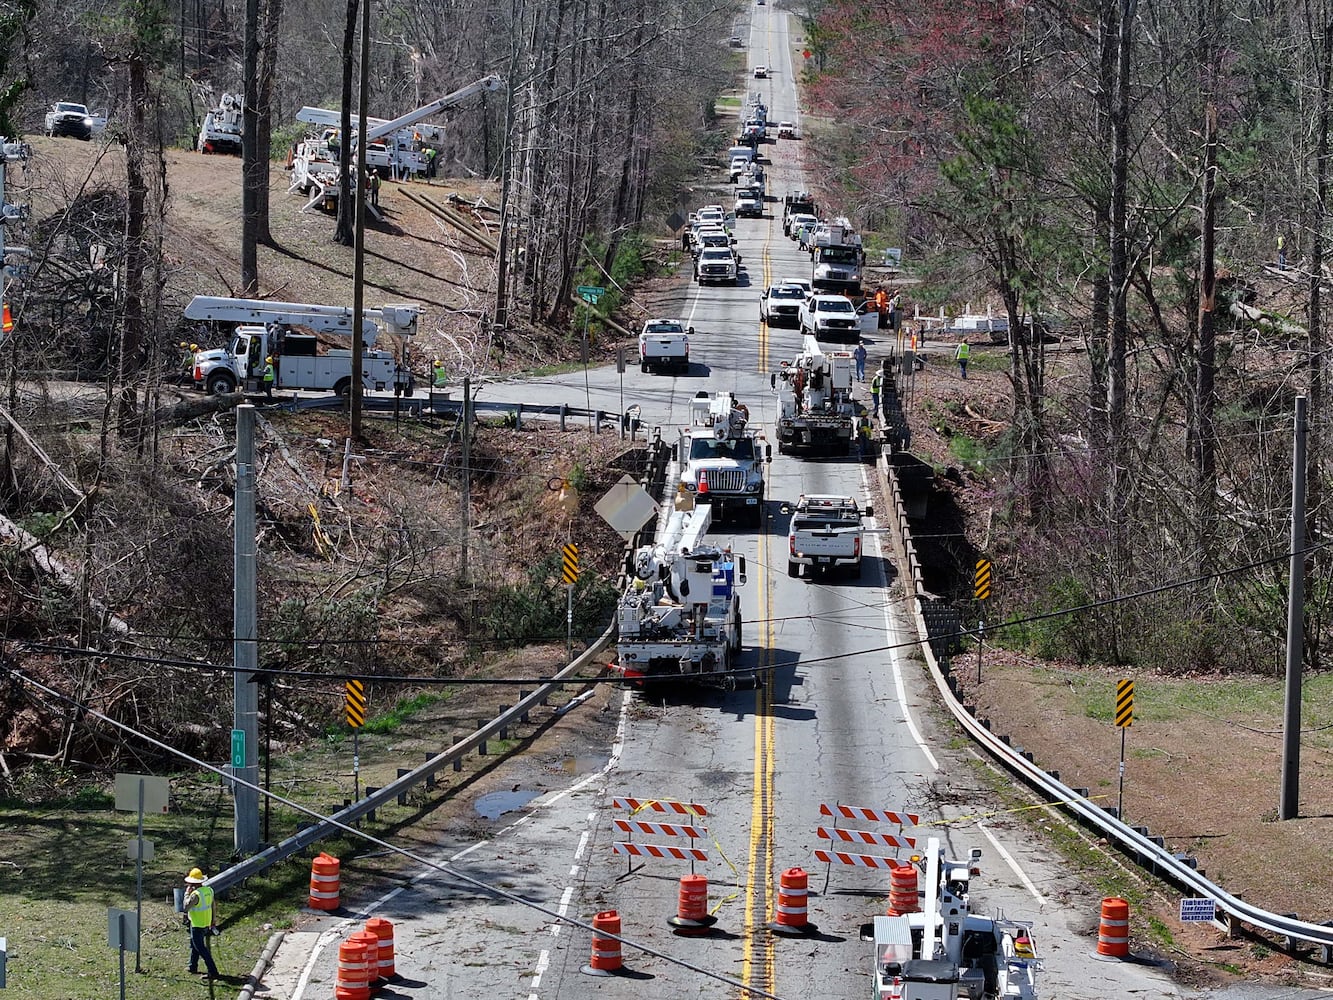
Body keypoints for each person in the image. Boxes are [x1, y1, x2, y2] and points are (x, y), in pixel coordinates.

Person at [183, 868, 220, 979]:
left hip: (196, 924)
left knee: (201, 948)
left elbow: (185, 907)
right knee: (195, 945)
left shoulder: (195, 895)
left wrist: (186, 894)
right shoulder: (209, 891)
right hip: (206, 923)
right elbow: (213, 906)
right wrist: (213, 920)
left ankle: (213, 971)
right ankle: (192, 966)